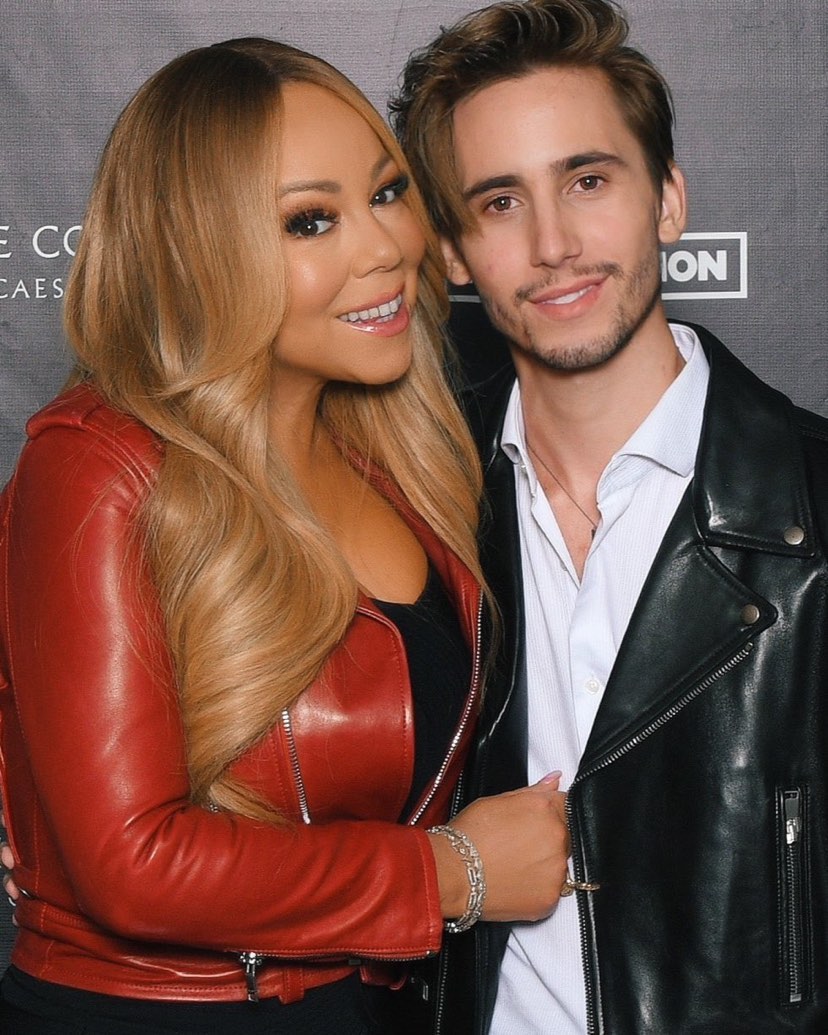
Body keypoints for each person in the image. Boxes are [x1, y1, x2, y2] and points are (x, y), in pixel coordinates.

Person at [0, 36, 569, 1034]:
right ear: (196, 252)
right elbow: (131, 864)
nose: (383, 248)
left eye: (387, 193)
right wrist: (451, 874)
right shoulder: (98, 465)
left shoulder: (414, 456)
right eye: (310, 220)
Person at [390, 0, 828, 1031]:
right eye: (500, 202)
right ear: (452, 252)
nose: (553, 244)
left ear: (668, 200)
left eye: (588, 181)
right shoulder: (406, 504)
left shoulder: (812, 506)